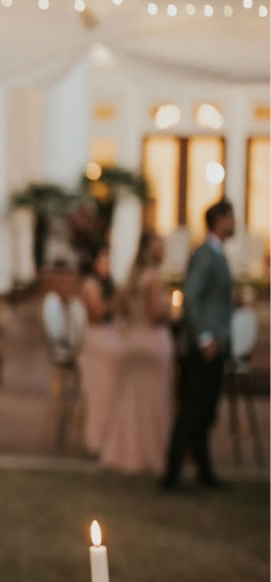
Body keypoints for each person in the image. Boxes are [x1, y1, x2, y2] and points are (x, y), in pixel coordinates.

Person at [161, 199, 236, 489]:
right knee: (193, 410)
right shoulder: (206, 255)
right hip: (203, 348)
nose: (234, 224)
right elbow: (191, 298)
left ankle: (205, 472)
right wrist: (205, 337)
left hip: (215, 344)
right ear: (220, 220)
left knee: (204, 412)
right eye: (231, 218)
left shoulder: (216, 254)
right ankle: (172, 474)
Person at [101, 232, 173, 473]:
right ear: (151, 251)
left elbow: (117, 309)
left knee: (131, 403)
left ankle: (126, 454)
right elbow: (155, 314)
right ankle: (150, 455)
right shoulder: (152, 278)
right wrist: (170, 312)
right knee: (153, 404)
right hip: (152, 345)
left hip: (132, 344)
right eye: (159, 248)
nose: (162, 252)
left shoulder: (131, 279)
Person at [78, 245, 122, 456]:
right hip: (97, 342)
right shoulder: (90, 285)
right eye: (104, 260)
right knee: (101, 395)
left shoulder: (107, 285)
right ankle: (96, 441)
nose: (108, 265)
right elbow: (96, 313)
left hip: (110, 339)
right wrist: (116, 302)